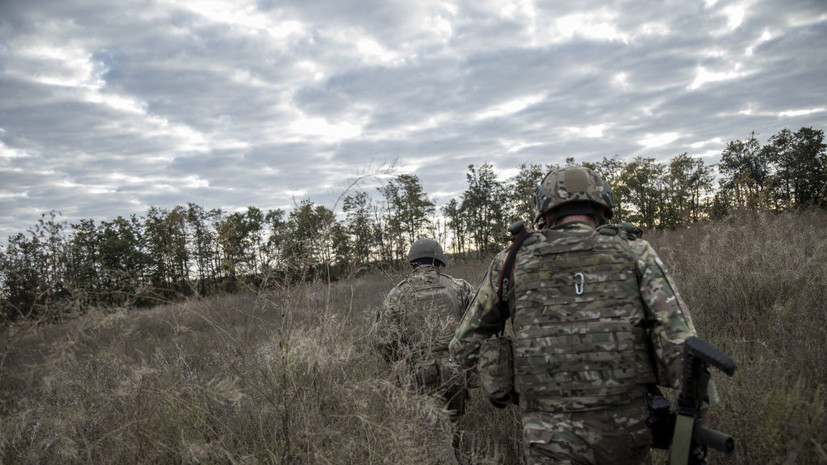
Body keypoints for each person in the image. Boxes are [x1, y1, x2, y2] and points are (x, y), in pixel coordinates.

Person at [449, 166, 718, 465]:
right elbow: (681, 342)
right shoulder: (635, 251)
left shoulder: (511, 261)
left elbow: (462, 348)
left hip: (546, 433)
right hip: (626, 427)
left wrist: (506, 384)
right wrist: (694, 429)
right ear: (602, 208)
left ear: (545, 212)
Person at [374, 238, 476, 421]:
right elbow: (479, 323)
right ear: (440, 261)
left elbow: (383, 341)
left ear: (412, 262)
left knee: (426, 433)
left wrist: (401, 359)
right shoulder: (460, 287)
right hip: (455, 371)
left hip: (417, 375)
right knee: (455, 426)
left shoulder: (398, 293)